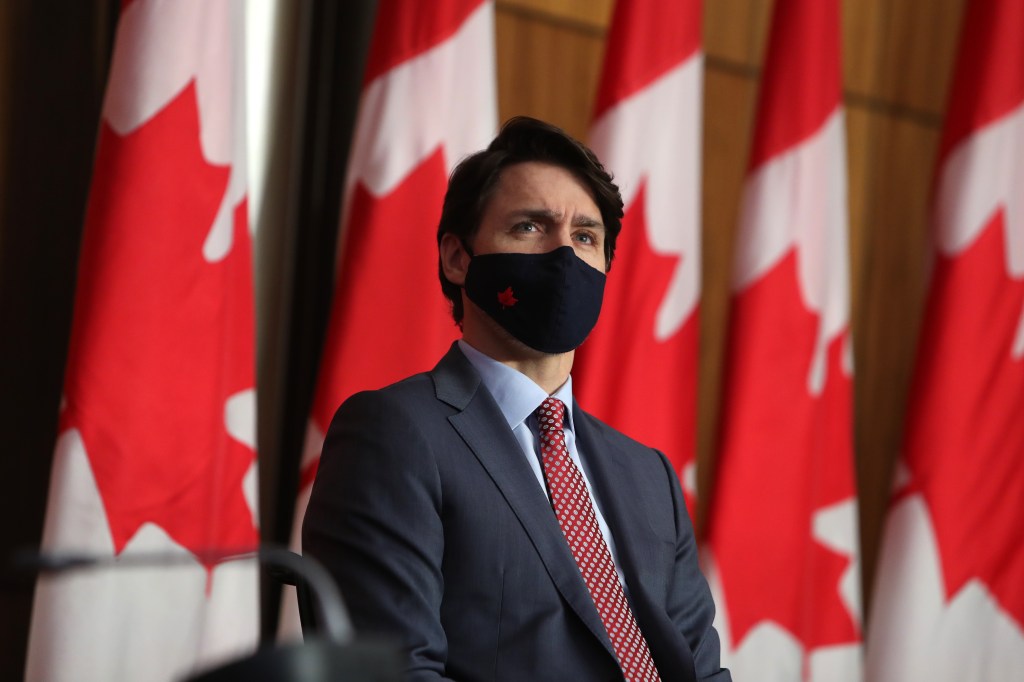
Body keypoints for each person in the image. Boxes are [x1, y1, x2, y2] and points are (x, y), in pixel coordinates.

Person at [303, 117, 730, 682]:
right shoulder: (393, 434)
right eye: (530, 227)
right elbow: (391, 672)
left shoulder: (647, 475)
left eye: (585, 237)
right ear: (458, 258)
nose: (564, 257)